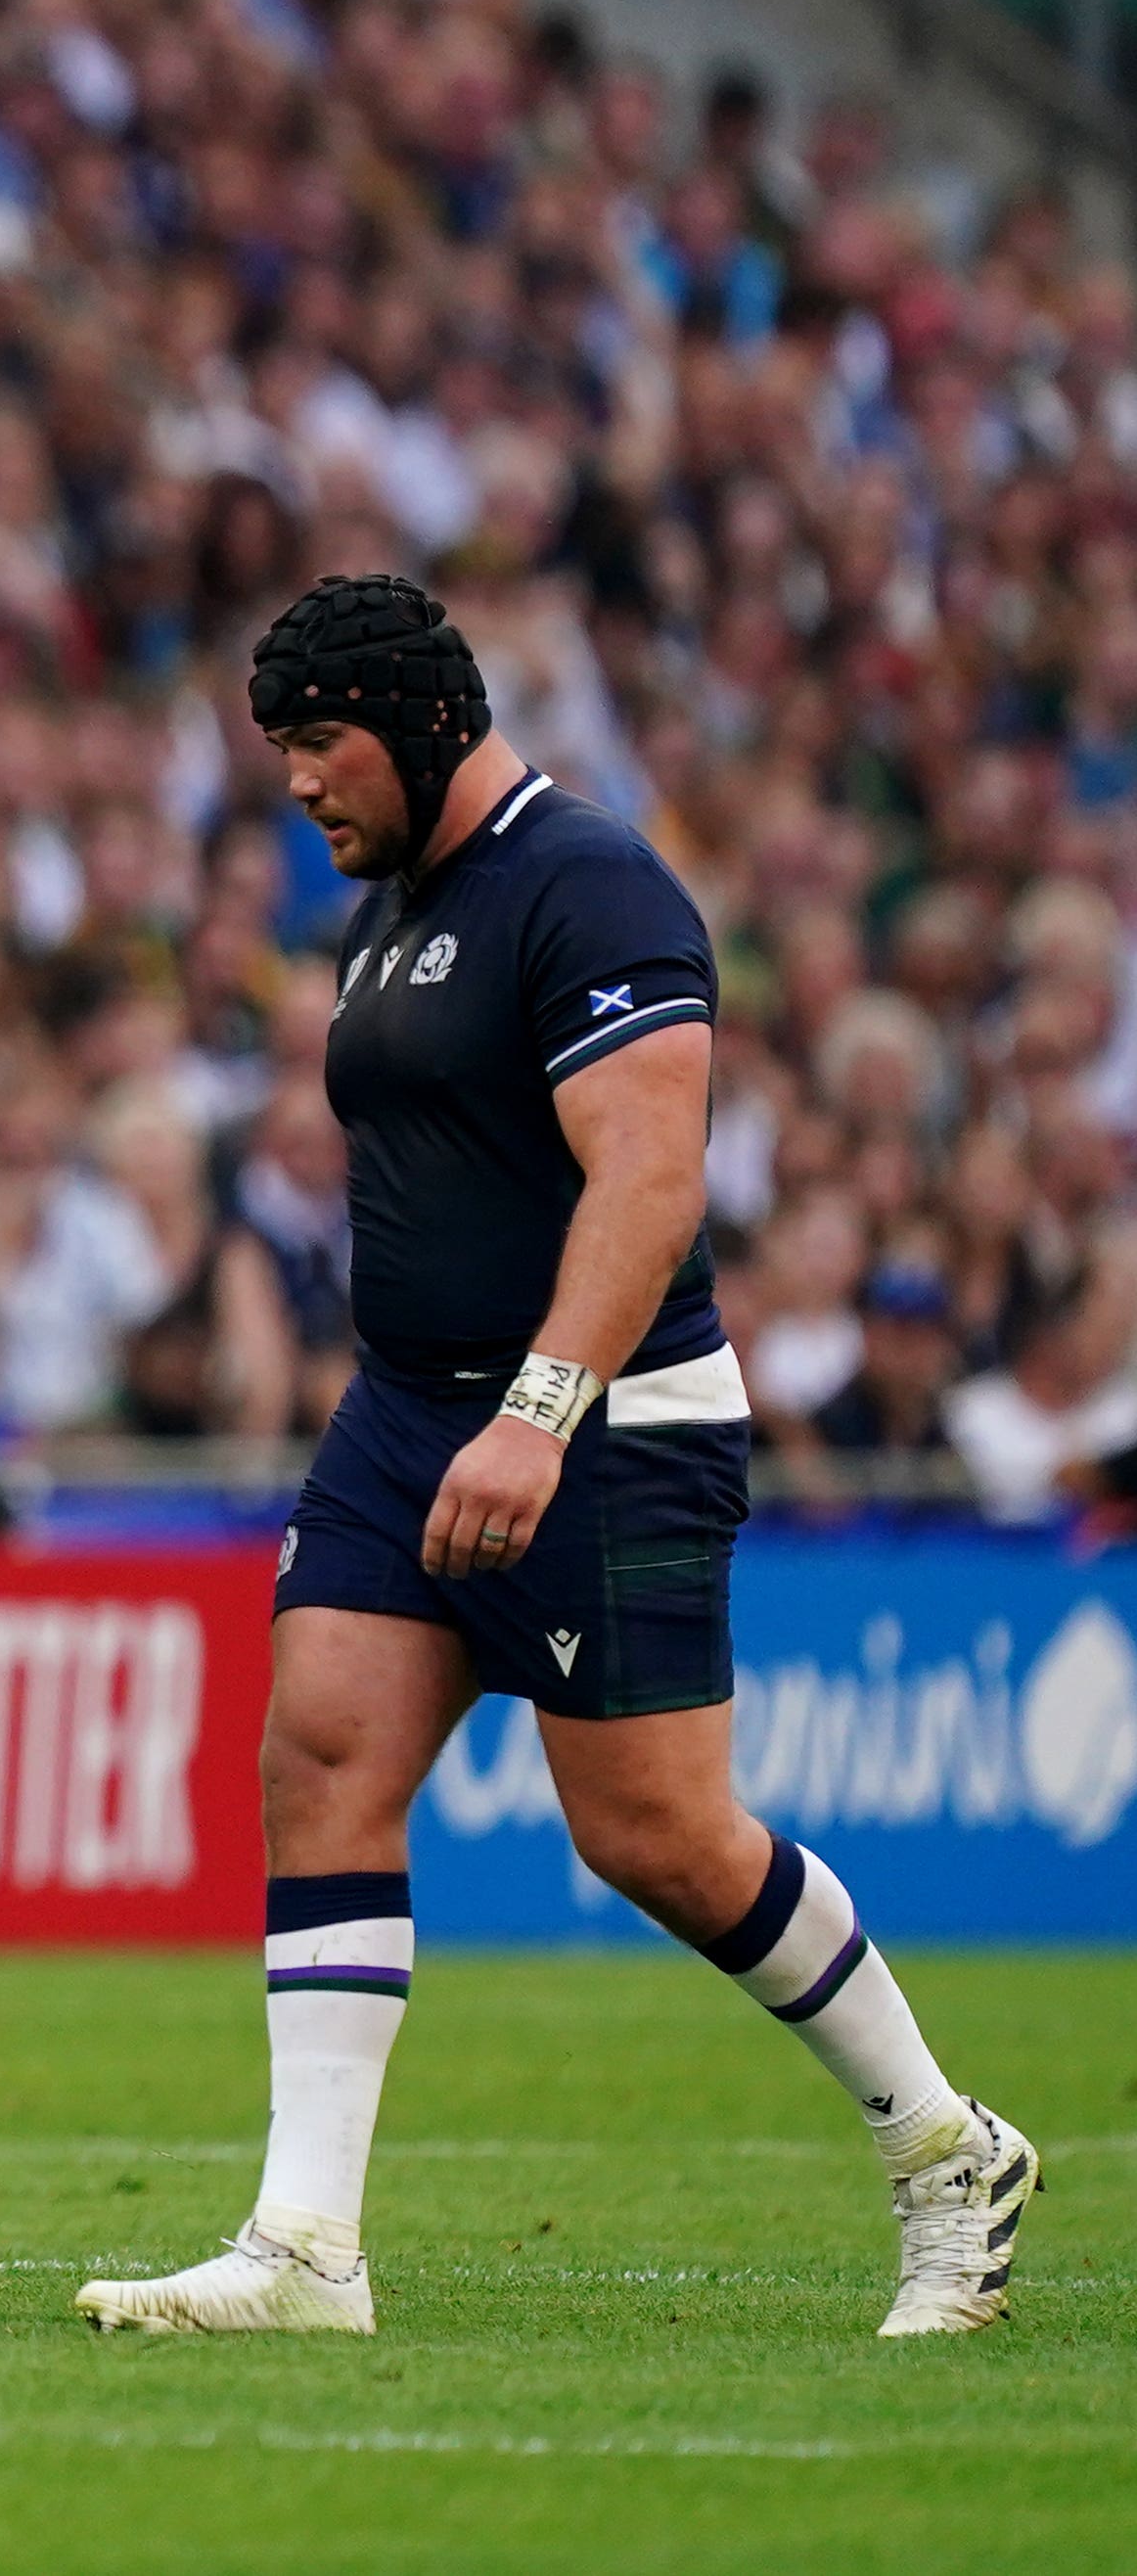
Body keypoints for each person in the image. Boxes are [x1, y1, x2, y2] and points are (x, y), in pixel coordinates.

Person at [81, 577, 1036, 2339]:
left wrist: (536, 1413)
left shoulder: (586, 881)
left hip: (603, 1419)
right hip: (400, 1412)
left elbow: (650, 1179)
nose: (296, 784)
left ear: (422, 720)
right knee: (317, 1762)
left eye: (318, 743)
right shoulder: (390, 909)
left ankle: (942, 2148)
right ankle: (304, 2248)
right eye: (277, 750)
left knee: (657, 1839)